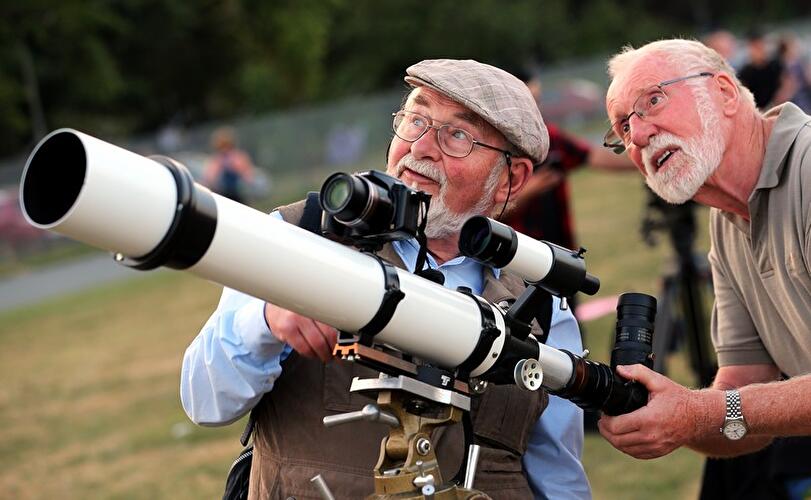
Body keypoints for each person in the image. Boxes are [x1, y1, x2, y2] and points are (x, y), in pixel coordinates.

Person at [181, 59, 591, 499]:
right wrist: (264, 321)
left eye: (457, 135)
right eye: (416, 119)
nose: (422, 147)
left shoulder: (541, 301)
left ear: (512, 177)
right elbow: (205, 401)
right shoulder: (295, 234)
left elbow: (558, 475)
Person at [599, 39, 811, 498]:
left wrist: (697, 414)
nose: (637, 137)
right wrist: (662, 412)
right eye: (622, 127)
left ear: (725, 94)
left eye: (652, 101)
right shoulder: (727, 221)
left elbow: (727, 409)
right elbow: (743, 388)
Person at [505, 72, 634, 252]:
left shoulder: (550, 136)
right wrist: (529, 190)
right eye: (528, 104)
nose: (536, 112)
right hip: (517, 256)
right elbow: (484, 215)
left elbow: (591, 156)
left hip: (560, 249)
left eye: (538, 102)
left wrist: (643, 161)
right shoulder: (496, 147)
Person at [203, 126, 255, 204]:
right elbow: (209, 179)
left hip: (237, 195)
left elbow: (248, 178)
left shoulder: (237, 157)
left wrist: (235, 167)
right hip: (224, 195)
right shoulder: (217, 160)